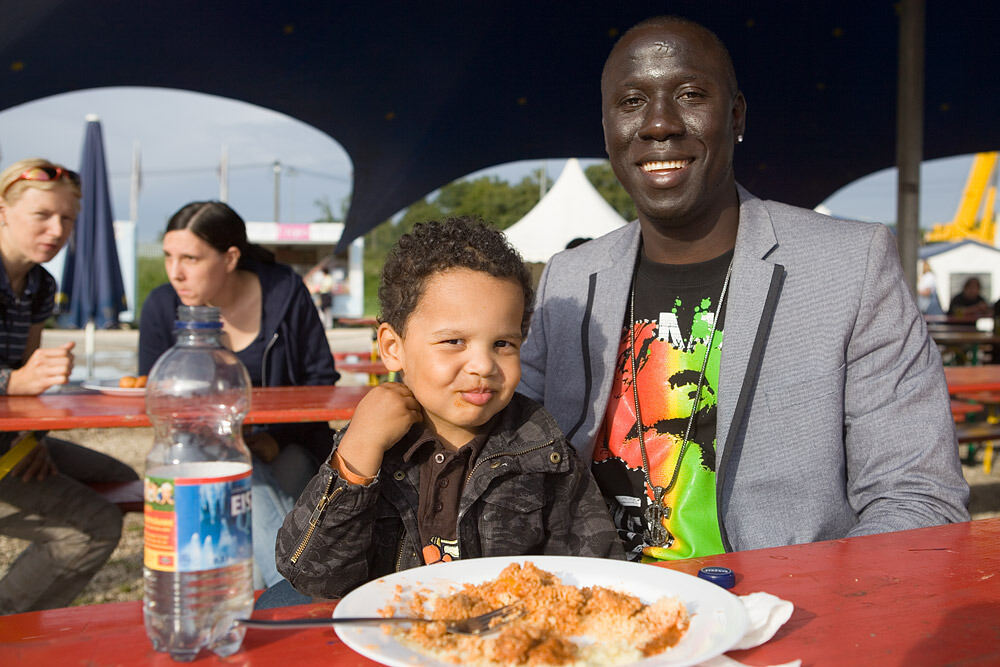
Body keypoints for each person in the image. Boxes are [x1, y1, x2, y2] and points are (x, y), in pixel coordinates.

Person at [519, 16, 969, 563]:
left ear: (735, 117)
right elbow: (511, 452)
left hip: (780, 622)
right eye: (632, 101)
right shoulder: (569, 278)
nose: (659, 124)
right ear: (608, 127)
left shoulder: (851, 266)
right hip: (594, 617)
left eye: (689, 94)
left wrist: (801, 613)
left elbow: (918, 496)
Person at [275, 218, 622, 599]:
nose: (483, 365)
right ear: (393, 347)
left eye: (503, 344)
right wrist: (358, 450)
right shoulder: (372, 439)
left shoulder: (544, 450)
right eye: (454, 341)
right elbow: (309, 574)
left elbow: (595, 574)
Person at [138, 201, 340, 589]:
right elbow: (158, 397)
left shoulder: (283, 291)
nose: (175, 273)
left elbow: (321, 380)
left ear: (230, 257)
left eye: (191, 259)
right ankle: (296, 596)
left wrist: (273, 438)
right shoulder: (163, 306)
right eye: (168, 257)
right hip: (202, 459)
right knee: (240, 474)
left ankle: (278, 600)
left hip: (291, 446)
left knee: (247, 485)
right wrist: (239, 444)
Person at [0, 158, 137, 613]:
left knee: (122, 481)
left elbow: (28, 380)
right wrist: (16, 382)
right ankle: (12, 629)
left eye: (68, 218)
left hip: (7, 441)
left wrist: (31, 435)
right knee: (93, 526)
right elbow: (19, 379)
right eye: (42, 215)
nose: (57, 229)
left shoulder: (40, 283)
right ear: (3, 210)